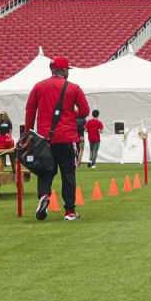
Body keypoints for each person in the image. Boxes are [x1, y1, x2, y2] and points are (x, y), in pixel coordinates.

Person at [25, 56, 91, 221]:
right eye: (67, 69)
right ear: (62, 70)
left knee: (45, 171)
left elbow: (30, 111)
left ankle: (44, 195)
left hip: (44, 139)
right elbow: (85, 111)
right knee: (68, 174)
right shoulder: (73, 88)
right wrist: (70, 114)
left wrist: (28, 133)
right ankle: (69, 211)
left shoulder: (38, 87)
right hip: (67, 137)